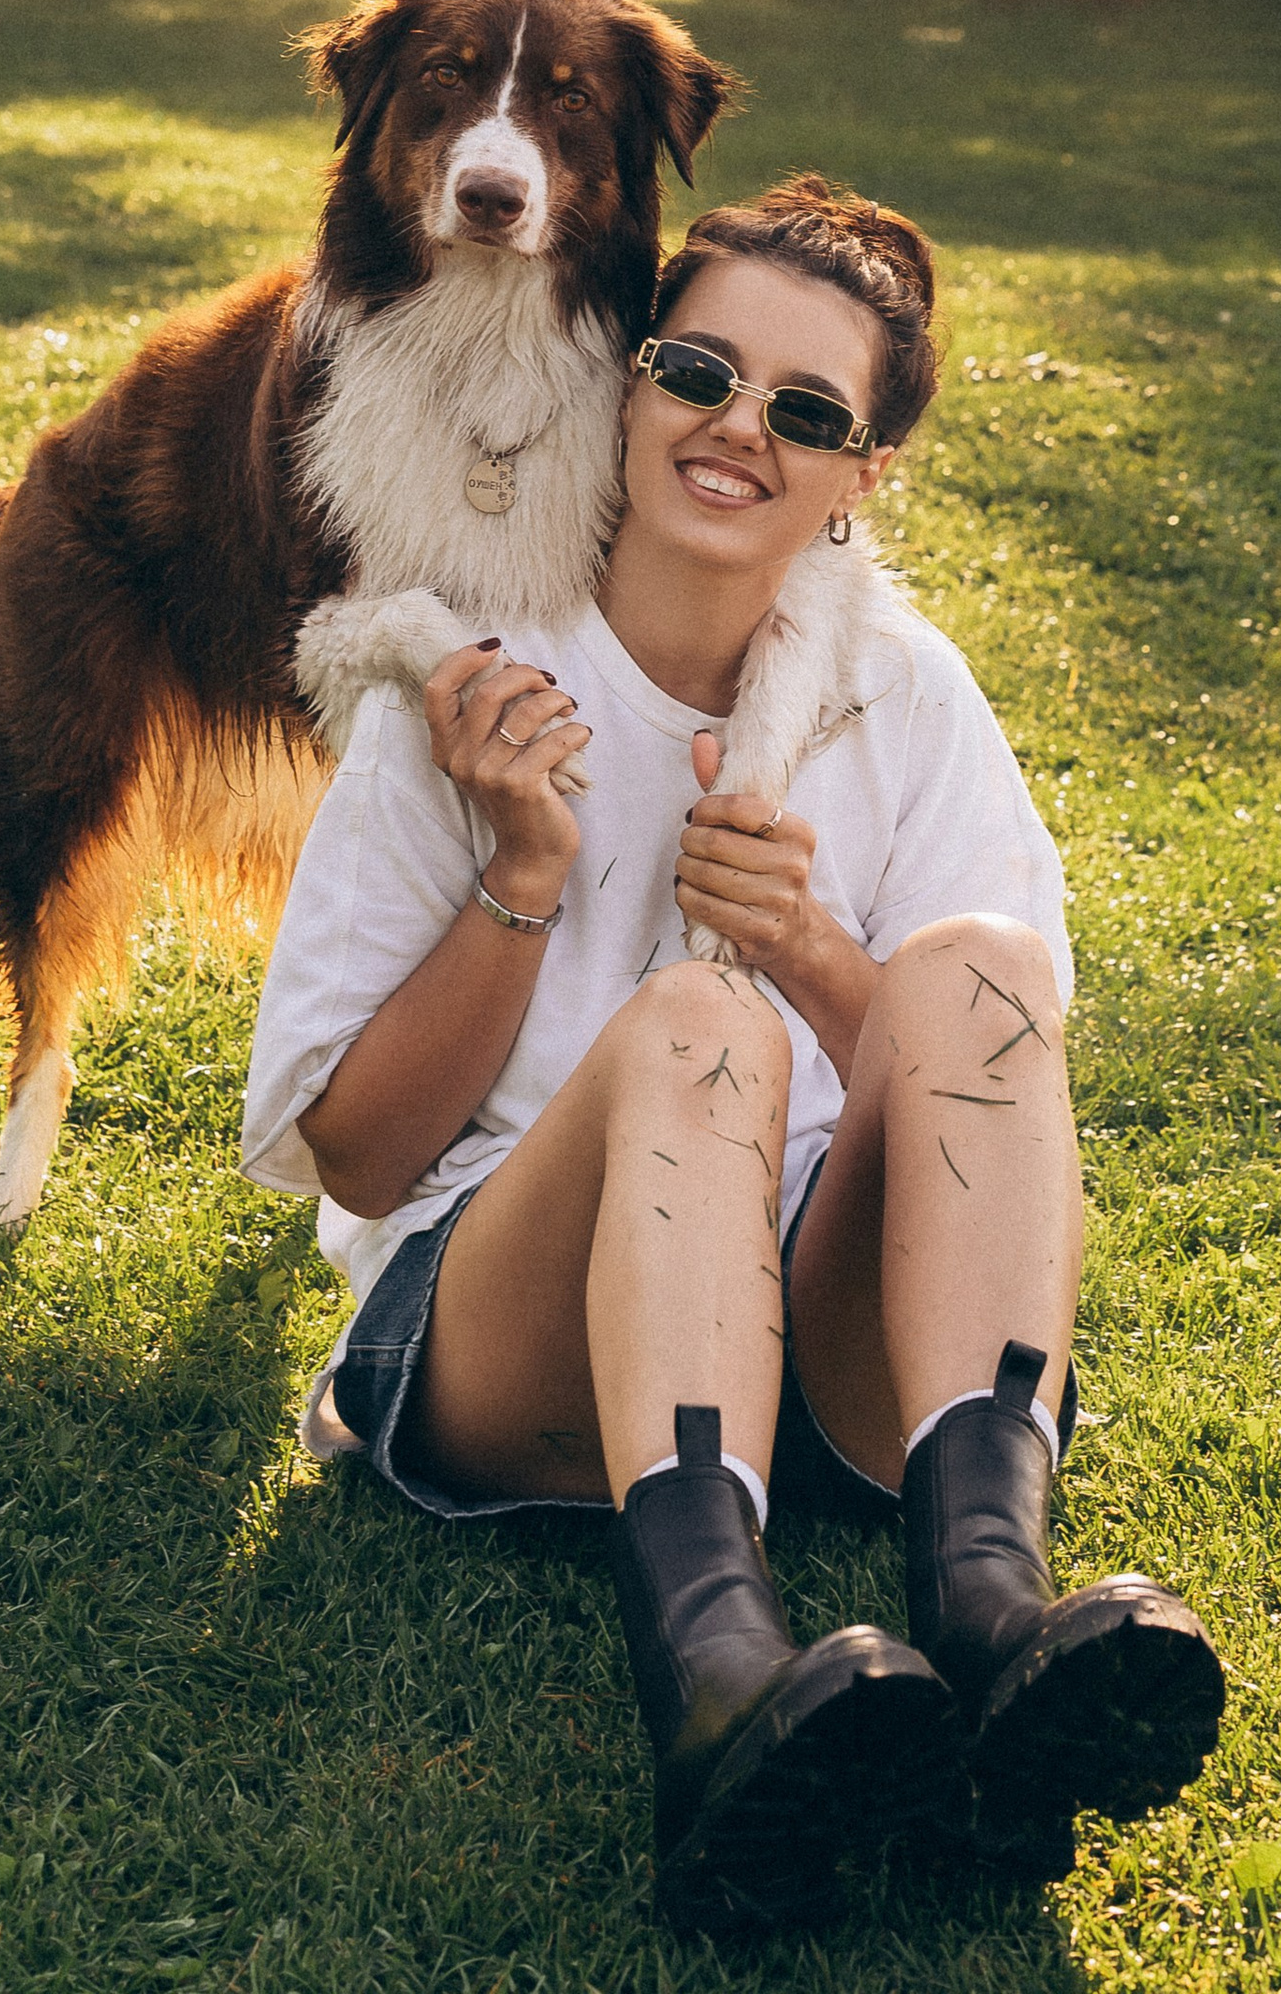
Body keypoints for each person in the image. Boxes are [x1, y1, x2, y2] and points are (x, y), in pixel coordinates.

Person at [239, 176, 1223, 1937]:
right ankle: (717, 1681)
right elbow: (358, 1161)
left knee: (977, 966)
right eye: (699, 370)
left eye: (808, 412)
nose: (736, 431)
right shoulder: (472, 680)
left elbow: (995, 1097)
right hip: (501, 1341)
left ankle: (990, 1612)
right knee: (696, 1027)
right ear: (626, 387)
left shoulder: (902, 693)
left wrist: (811, 949)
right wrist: (521, 881)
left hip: (818, 1350)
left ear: (863, 476)